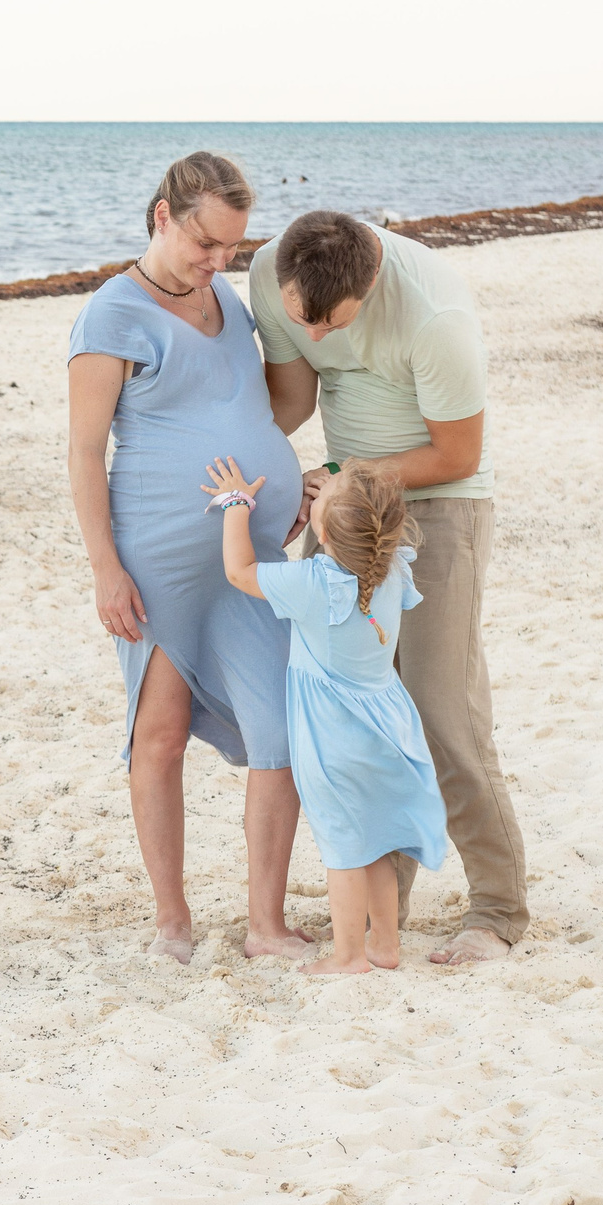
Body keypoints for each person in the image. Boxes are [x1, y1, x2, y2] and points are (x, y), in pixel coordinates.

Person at [251, 210, 525, 966]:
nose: (308, 336)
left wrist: (341, 474)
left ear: (367, 291)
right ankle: (385, 908)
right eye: (296, 318)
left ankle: (497, 912)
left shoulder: (434, 316)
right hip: (345, 506)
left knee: (444, 713)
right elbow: (292, 402)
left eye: (326, 325)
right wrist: (256, 478)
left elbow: (456, 452)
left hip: (439, 500)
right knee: (353, 713)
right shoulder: (281, 272)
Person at [67, 154, 310, 965]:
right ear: (163, 215)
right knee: (160, 734)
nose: (220, 263)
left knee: (282, 734)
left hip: (255, 557)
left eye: (234, 250)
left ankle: (265, 926)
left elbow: (260, 406)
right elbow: (83, 451)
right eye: (207, 244)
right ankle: (172, 921)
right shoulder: (110, 318)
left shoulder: (228, 301)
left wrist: (294, 477)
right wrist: (106, 567)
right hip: (162, 558)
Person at [205, 456, 449, 975]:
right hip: (388, 727)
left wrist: (235, 505)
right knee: (376, 842)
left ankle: (348, 955)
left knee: (343, 847)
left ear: (323, 534)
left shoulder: (314, 583)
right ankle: (384, 946)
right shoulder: (394, 567)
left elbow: (237, 571)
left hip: (334, 738)